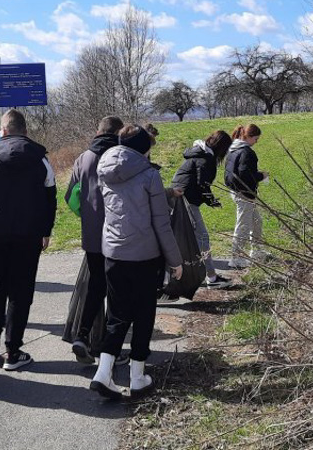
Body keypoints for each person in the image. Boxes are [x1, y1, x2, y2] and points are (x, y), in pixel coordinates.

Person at [91, 125, 183, 400]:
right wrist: (175, 260)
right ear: (144, 148)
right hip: (144, 255)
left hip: (113, 253)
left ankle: (103, 373)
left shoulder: (103, 168)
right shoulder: (149, 174)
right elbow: (161, 222)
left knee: (117, 314)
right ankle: (138, 376)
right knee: (144, 314)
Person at [0, 109, 57, 371]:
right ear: (25, 131)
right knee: (21, 290)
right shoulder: (41, 160)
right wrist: (46, 231)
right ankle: (13, 350)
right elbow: (49, 199)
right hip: (29, 235)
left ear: (3, 131)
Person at [64, 116, 124, 364]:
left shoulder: (83, 158)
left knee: (96, 286)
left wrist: (87, 215)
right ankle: (108, 348)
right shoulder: (122, 156)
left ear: (98, 131)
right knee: (118, 289)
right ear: (118, 133)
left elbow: (71, 196)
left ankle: (82, 335)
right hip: (119, 232)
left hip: (92, 233)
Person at [171, 130, 233, 289]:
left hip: (178, 197)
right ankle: (210, 278)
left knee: (185, 239)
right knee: (202, 238)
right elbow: (202, 184)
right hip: (185, 200)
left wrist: (210, 200)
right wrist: (212, 201)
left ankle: (186, 276)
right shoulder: (206, 159)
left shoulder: (199, 154)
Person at [224, 124, 268, 269]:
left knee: (257, 221)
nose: (257, 142)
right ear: (248, 137)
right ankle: (236, 258)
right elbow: (245, 175)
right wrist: (261, 175)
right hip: (244, 194)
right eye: (256, 139)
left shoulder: (233, 149)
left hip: (236, 191)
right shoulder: (247, 152)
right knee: (243, 225)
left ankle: (257, 252)